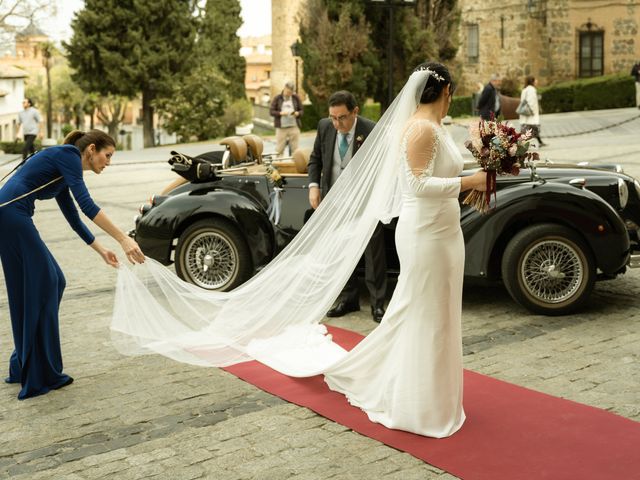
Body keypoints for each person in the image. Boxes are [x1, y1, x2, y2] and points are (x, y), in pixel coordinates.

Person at [111, 62, 487, 438]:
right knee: (422, 311)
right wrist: (472, 178)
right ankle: (417, 398)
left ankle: (432, 391)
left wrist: (486, 168)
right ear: (447, 91)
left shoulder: (438, 128)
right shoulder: (420, 128)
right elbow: (417, 186)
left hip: (444, 230)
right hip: (425, 232)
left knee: (437, 310)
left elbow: (440, 176)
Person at [0, 130, 145, 400]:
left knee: (51, 282)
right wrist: (124, 239)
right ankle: (38, 368)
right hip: (11, 213)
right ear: (91, 149)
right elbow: (88, 205)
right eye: (107, 155)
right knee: (46, 282)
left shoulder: (65, 167)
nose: (108, 162)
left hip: (9, 214)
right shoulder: (68, 156)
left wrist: (101, 250)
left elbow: (74, 217)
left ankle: (25, 361)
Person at [307, 90, 387, 323]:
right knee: (340, 251)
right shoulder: (324, 127)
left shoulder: (372, 131)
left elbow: (382, 169)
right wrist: (314, 186)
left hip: (366, 203)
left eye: (342, 117)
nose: (336, 123)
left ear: (355, 111)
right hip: (334, 202)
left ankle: (377, 304)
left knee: (374, 253)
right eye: (333, 117)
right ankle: (348, 298)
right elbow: (316, 159)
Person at [269, 81, 303, 157]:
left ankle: (294, 166)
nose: (289, 94)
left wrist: (297, 113)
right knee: (279, 149)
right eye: (288, 91)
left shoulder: (295, 98)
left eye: (291, 92)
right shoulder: (277, 98)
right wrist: (280, 113)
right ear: (285, 88)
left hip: (294, 126)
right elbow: (271, 111)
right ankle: (280, 166)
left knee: (295, 149)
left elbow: (302, 111)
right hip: (281, 128)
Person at [519, 75, 546, 147]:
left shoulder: (525, 89)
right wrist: (532, 111)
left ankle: (539, 142)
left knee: (531, 129)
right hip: (530, 113)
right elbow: (530, 102)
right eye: (535, 80)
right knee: (530, 129)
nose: (537, 81)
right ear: (532, 81)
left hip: (526, 114)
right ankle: (521, 144)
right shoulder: (531, 90)